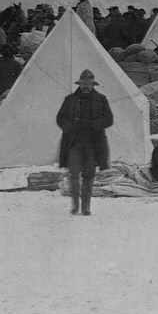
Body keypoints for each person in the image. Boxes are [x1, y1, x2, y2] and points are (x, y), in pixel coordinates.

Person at [56, 69, 114, 216]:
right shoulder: (70, 100)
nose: (86, 86)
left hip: (93, 145)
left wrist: (94, 125)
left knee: (88, 175)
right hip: (73, 143)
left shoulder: (101, 99)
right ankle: (75, 204)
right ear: (80, 84)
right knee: (74, 174)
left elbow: (108, 119)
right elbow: (60, 118)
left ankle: (86, 206)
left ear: (93, 84)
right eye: (83, 83)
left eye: (89, 83)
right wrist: (69, 127)